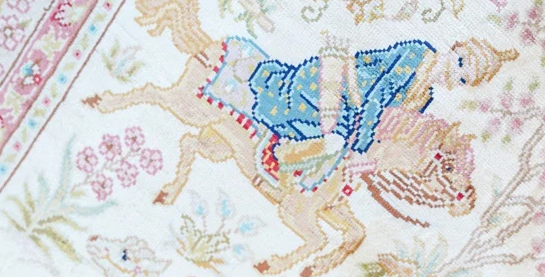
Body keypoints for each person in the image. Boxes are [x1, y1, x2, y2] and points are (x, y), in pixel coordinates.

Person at [210, 36, 517, 191]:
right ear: (455, 48)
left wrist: (372, 153)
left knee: (339, 148)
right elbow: (376, 98)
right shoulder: (416, 54)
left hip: (355, 116)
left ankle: (287, 160)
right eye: (460, 62)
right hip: (345, 88)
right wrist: (360, 144)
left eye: (463, 79)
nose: (454, 73)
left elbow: (389, 126)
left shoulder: (425, 96)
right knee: (332, 138)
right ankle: (282, 154)